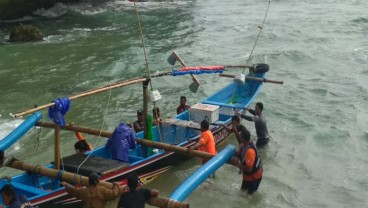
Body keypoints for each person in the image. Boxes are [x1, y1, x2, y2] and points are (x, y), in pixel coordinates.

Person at [61, 172, 125, 208]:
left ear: (88, 182)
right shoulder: (102, 190)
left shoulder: (84, 191)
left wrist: (66, 185)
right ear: (98, 181)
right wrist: (116, 185)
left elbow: (74, 191)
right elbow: (114, 194)